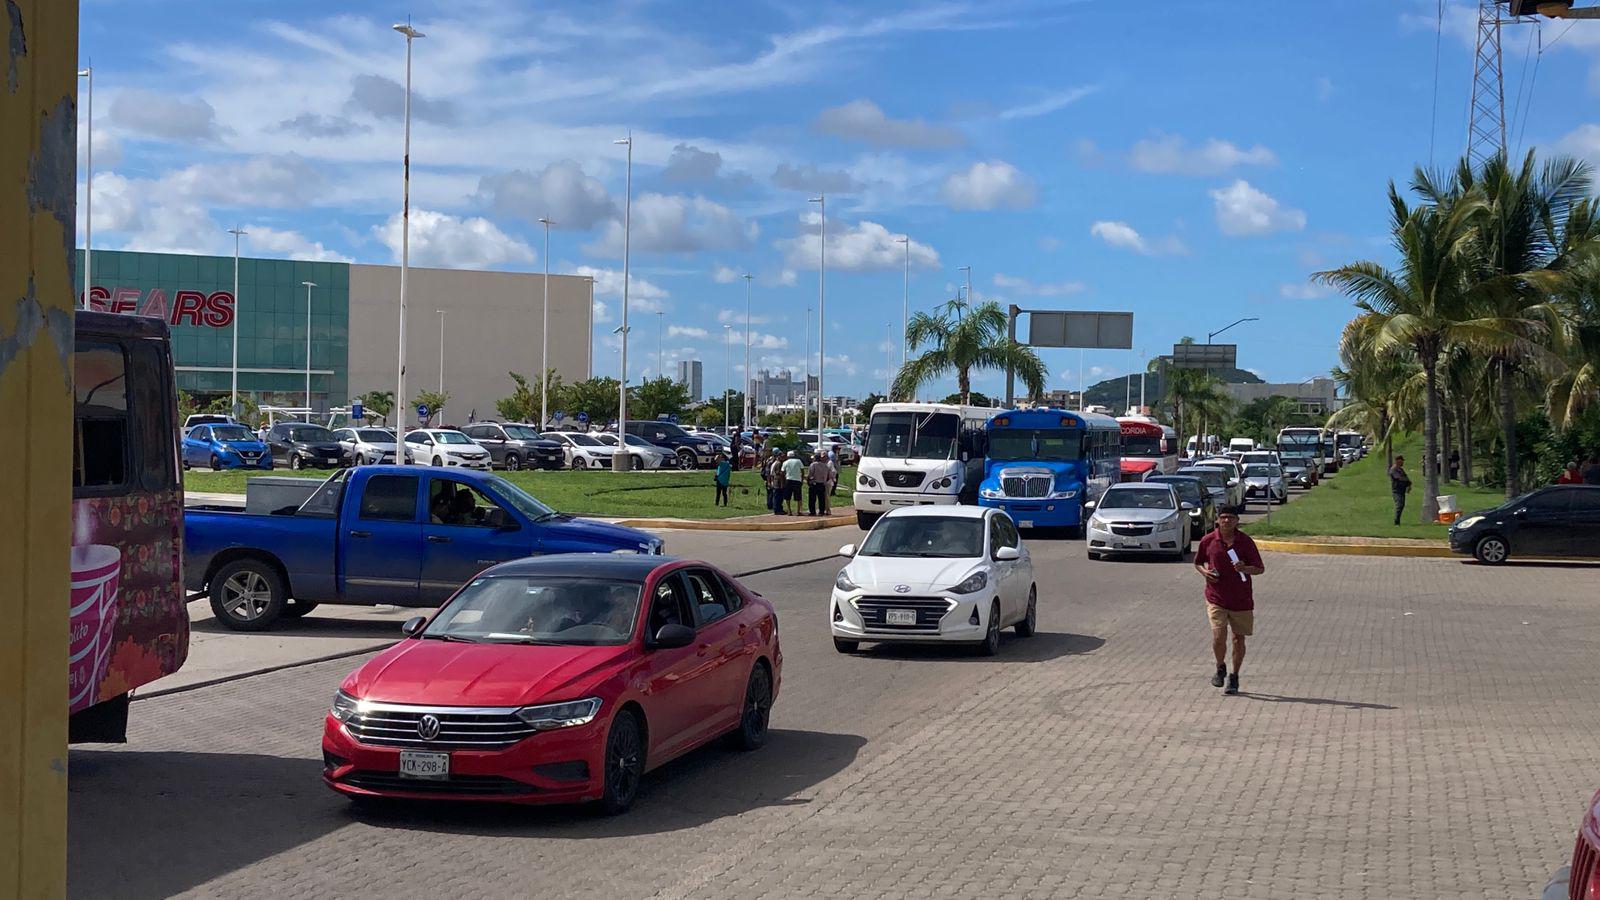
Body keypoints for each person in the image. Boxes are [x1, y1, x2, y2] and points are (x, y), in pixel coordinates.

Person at [1195, 506, 1265, 695]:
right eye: (1223, 517)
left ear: (1237, 521)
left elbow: (1259, 568)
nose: (1226, 521)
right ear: (1217, 520)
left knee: (1238, 638)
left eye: (1231, 518)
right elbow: (1197, 562)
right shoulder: (1208, 540)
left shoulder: (1245, 542)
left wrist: (1245, 568)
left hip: (1241, 599)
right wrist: (1205, 573)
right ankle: (1220, 667)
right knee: (1218, 635)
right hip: (1216, 597)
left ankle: (1234, 676)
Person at [806, 451, 832, 516]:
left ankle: (812, 512)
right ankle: (821, 511)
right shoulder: (825, 466)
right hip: (822, 484)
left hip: (814, 483)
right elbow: (829, 475)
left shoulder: (813, 465)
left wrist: (808, 480)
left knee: (812, 499)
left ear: (815, 458)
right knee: (821, 499)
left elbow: (810, 474)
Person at [1388, 454, 1411, 526]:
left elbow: (1406, 477)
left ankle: (1397, 521)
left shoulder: (1401, 469)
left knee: (1402, 505)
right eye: (1402, 461)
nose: (1403, 462)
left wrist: (1409, 484)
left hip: (1402, 490)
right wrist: (1407, 481)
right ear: (1398, 461)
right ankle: (1396, 522)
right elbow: (1399, 478)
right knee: (1399, 505)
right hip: (1396, 491)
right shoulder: (1393, 469)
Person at [782, 450, 805, 515]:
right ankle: (798, 511)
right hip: (797, 480)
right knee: (798, 497)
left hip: (788, 480)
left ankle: (789, 510)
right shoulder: (798, 461)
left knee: (787, 496)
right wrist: (802, 479)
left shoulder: (785, 462)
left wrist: (784, 480)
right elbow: (802, 470)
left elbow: (782, 472)